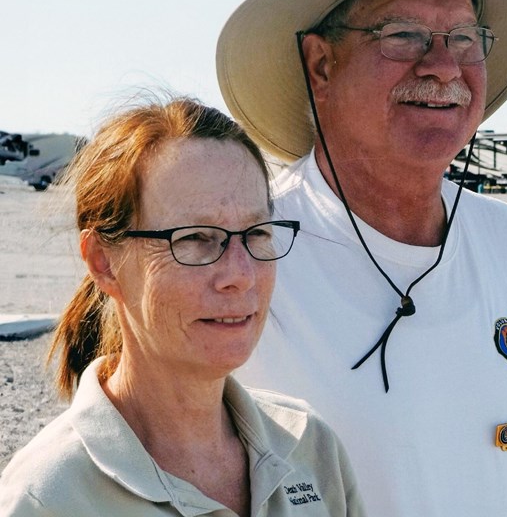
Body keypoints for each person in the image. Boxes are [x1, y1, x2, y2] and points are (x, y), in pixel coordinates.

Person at [215, 0, 507, 517]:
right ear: (321, 63)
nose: (445, 66)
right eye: (404, 35)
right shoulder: (243, 256)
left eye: (464, 38)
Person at [0, 97, 366, 517]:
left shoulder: (310, 447)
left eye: (258, 232)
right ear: (104, 262)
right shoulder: (50, 497)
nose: (241, 274)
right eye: (195, 238)